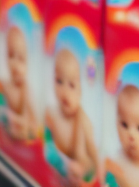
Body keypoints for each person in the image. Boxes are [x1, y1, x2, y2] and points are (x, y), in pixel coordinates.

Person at [45, 47, 98, 186]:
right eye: (59, 81)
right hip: (60, 172)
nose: (64, 91)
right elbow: (43, 141)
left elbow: (95, 159)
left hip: (80, 172)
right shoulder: (51, 114)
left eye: (72, 85)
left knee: (83, 158)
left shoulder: (83, 121)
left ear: (80, 91)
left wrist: (84, 170)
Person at [0, 24, 38, 142]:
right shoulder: (4, 85)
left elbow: (28, 120)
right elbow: (0, 107)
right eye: (11, 56)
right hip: (9, 127)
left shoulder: (25, 88)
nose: (15, 64)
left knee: (30, 129)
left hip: (24, 125)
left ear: (27, 63)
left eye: (20, 59)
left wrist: (21, 123)